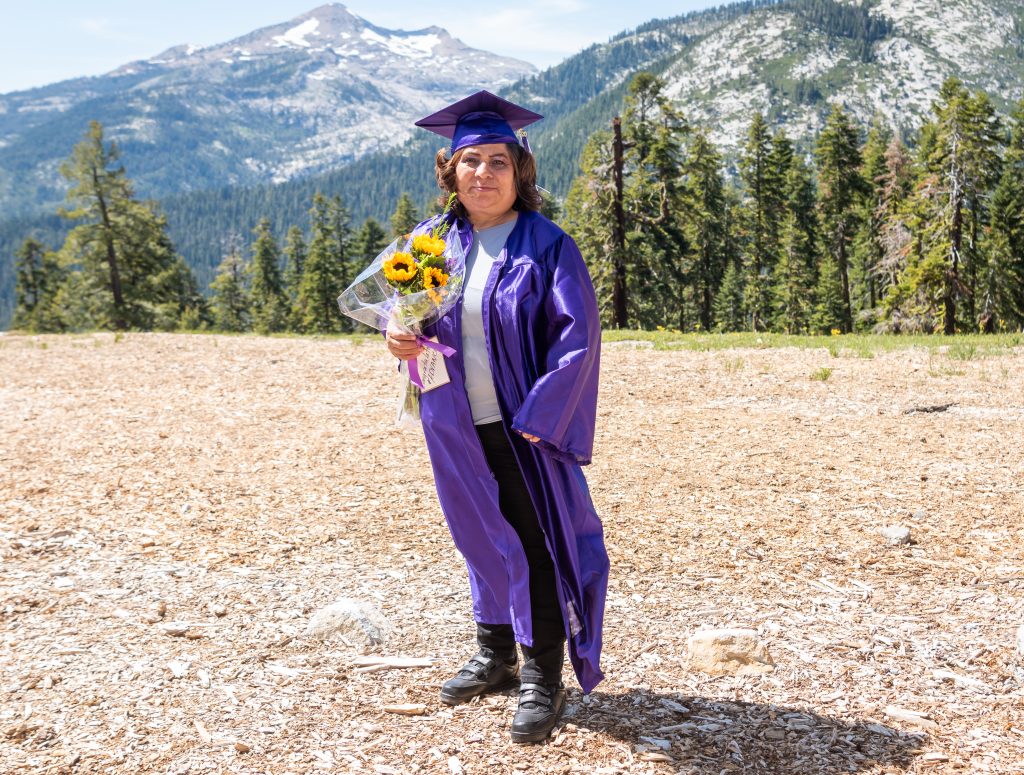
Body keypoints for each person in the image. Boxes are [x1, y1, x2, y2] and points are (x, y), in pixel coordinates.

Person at [385, 90, 608, 744]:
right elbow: (408, 321)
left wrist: (544, 418)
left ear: (521, 172)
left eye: (498, 162)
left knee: (533, 542)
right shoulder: (428, 245)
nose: (483, 173)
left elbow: (578, 338)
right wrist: (397, 338)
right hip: (454, 422)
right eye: (470, 160)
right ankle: (496, 652)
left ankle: (543, 673)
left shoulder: (547, 246)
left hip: (522, 425)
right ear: (449, 170)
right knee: (477, 534)